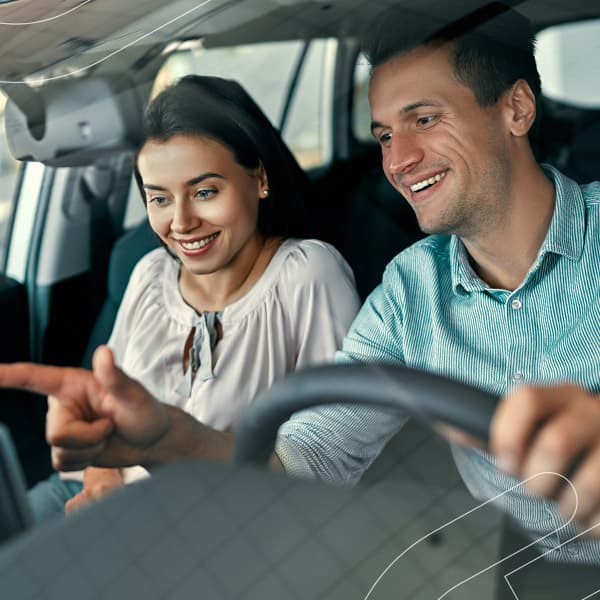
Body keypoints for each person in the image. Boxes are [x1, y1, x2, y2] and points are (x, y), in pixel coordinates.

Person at [0, 1, 598, 571]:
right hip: (511, 570)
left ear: (516, 109)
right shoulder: (413, 290)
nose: (399, 160)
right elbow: (309, 459)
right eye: (385, 134)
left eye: (424, 119)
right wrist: (168, 438)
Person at [24, 74, 360, 521]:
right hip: (97, 494)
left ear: (259, 178)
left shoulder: (308, 274)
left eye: (204, 192)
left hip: (214, 523)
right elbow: (106, 422)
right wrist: (99, 482)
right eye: (159, 199)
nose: (181, 223)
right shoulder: (148, 274)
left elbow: (330, 459)